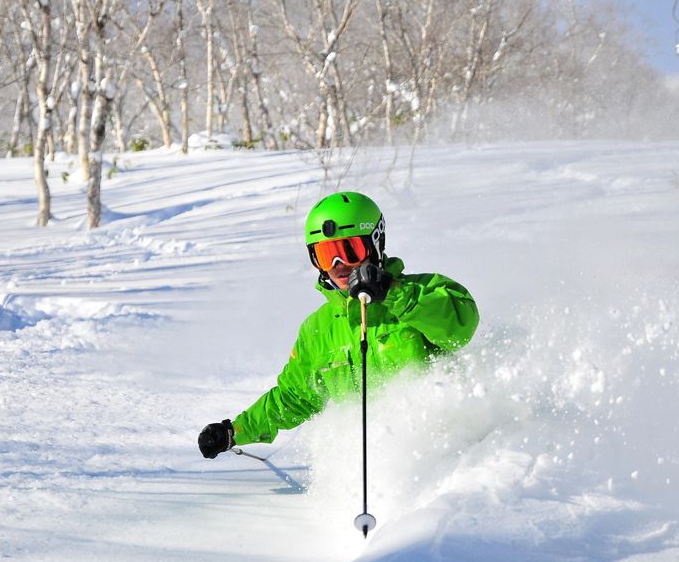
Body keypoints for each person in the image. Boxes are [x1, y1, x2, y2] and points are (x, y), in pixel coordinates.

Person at [198, 191, 479, 458]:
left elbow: (460, 326)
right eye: (325, 254)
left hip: (451, 453)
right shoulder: (317, 329)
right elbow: (294, 397)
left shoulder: (425, 290)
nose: (338, 264)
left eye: (349, 250)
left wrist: (393, 292)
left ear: (375, 243)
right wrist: (234, 432)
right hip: (375, 469)